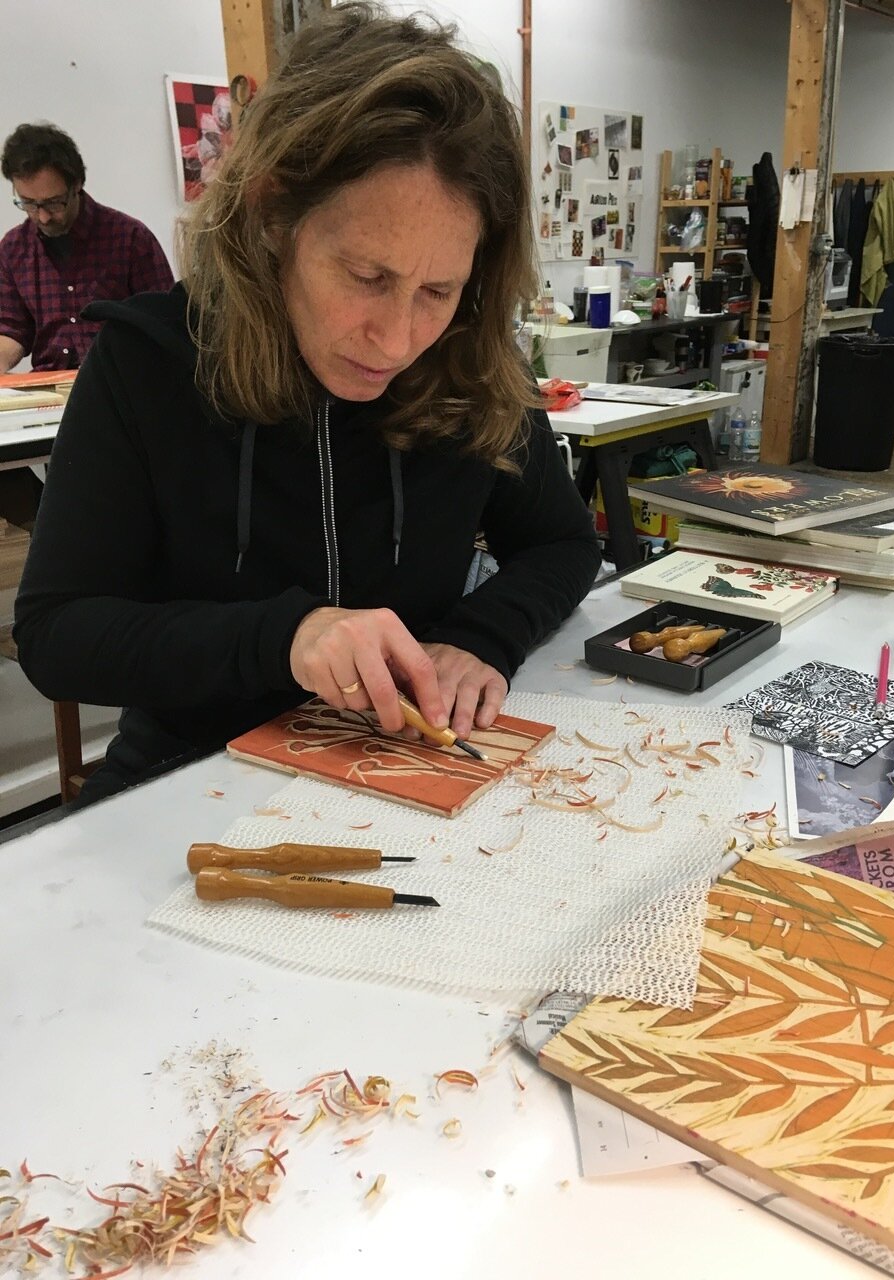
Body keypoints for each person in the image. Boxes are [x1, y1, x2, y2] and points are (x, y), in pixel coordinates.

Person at [14, 3, 601, 802]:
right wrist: (285, 636)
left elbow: (563, 543)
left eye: (437, 289)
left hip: (406, 768)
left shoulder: (468, 359)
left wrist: (482, 637)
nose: (396, 341)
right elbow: (57, 634)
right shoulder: (150, 361)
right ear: (271, 214)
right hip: (187, 778)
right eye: (366, 277)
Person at [0, 122, 174, 372]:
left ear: (77, 184)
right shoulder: (13, 249)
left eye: (54, 203)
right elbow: (11, 328)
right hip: (49, 387)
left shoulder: (130, 238)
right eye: (28, 203)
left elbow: (164, 323)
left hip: (120, 382)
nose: (43, 217)